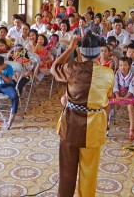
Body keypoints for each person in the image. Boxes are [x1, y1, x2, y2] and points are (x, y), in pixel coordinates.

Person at [51, 33, 114, 197]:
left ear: (81, 50)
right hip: (93, 129)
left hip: (70, 126)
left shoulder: (71, 68)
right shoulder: (108, 73)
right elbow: (106, 98)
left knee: (67, 172)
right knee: (89, 172)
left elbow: (54, 68)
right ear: (99, 51)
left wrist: (70, 48)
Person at [112, 56, 134, 139]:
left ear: (129, 66)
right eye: (121, 65)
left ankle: (132, 127)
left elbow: (131, 89)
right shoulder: (117, 74)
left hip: (128, 96)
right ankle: (106, 125)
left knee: (130, 107)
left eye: (125, 65)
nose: (122, 67)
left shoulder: (132, 76)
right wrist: (118, 96)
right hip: (118, 95)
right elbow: (115, 86)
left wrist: (125, 97)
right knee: (109, 103)